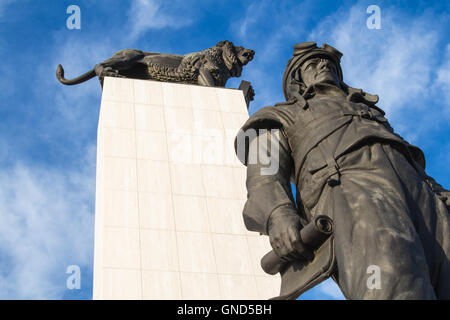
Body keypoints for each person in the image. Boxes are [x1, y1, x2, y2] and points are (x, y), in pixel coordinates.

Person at [235, 42, 450, 299]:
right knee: (395, 282)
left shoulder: (368, 111)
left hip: (423, 196)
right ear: (298, 80)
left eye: (328, 63)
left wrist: (440, 193)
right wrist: (278, 213)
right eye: (312, 64)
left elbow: (406, 158)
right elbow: (264, 176)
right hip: (353, 192)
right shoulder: (280, 116)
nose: (323, 65)